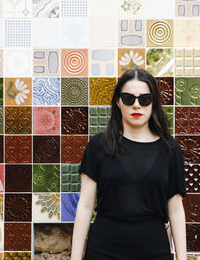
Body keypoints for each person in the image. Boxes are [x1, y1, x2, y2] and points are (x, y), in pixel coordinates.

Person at [71, 69, 187, 260]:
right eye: (128, 98)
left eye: (144, 99)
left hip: (154, 251)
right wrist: (75, 257)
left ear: (153, 103)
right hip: (103, 251)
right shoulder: (98, 146)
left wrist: (182, 258)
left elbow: (175, 210)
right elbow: (85, 205)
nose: (136, 105)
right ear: (118, 102)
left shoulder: (170, 150)